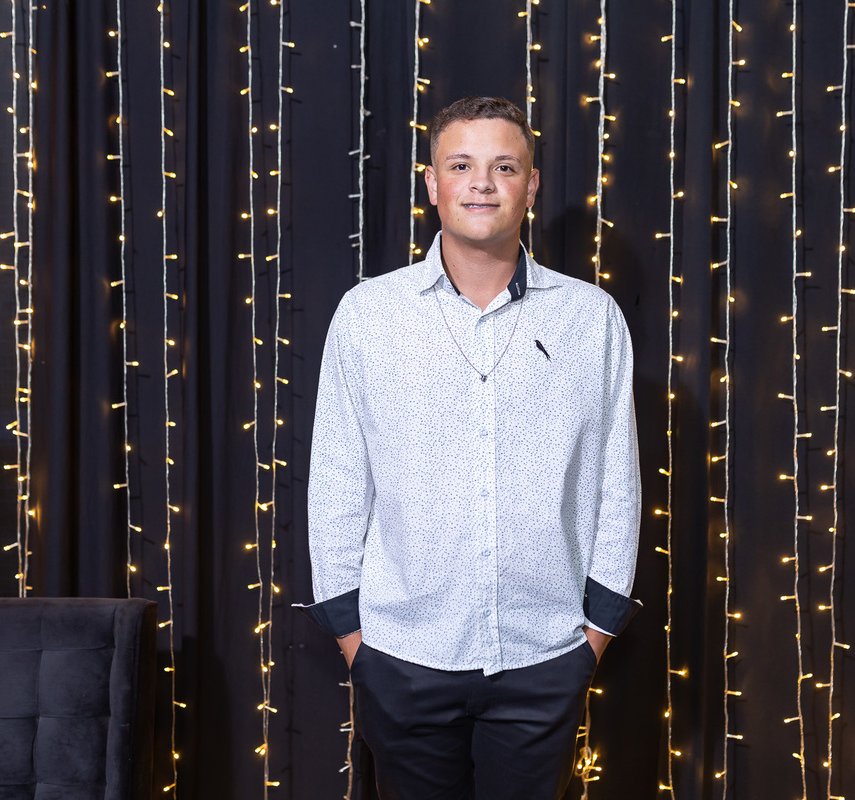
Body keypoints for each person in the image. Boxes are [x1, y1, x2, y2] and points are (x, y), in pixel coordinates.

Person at [297, 96, 641, 799]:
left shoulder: (590, 319)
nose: (482, 182)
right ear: (432, 183)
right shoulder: (368, 315)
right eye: (461, 165)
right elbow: (337, 481)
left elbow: (619, 483)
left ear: (530, 186)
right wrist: (354, 640)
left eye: (504, 167)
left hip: (546, 656)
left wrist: (594, 637)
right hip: (401, 657)